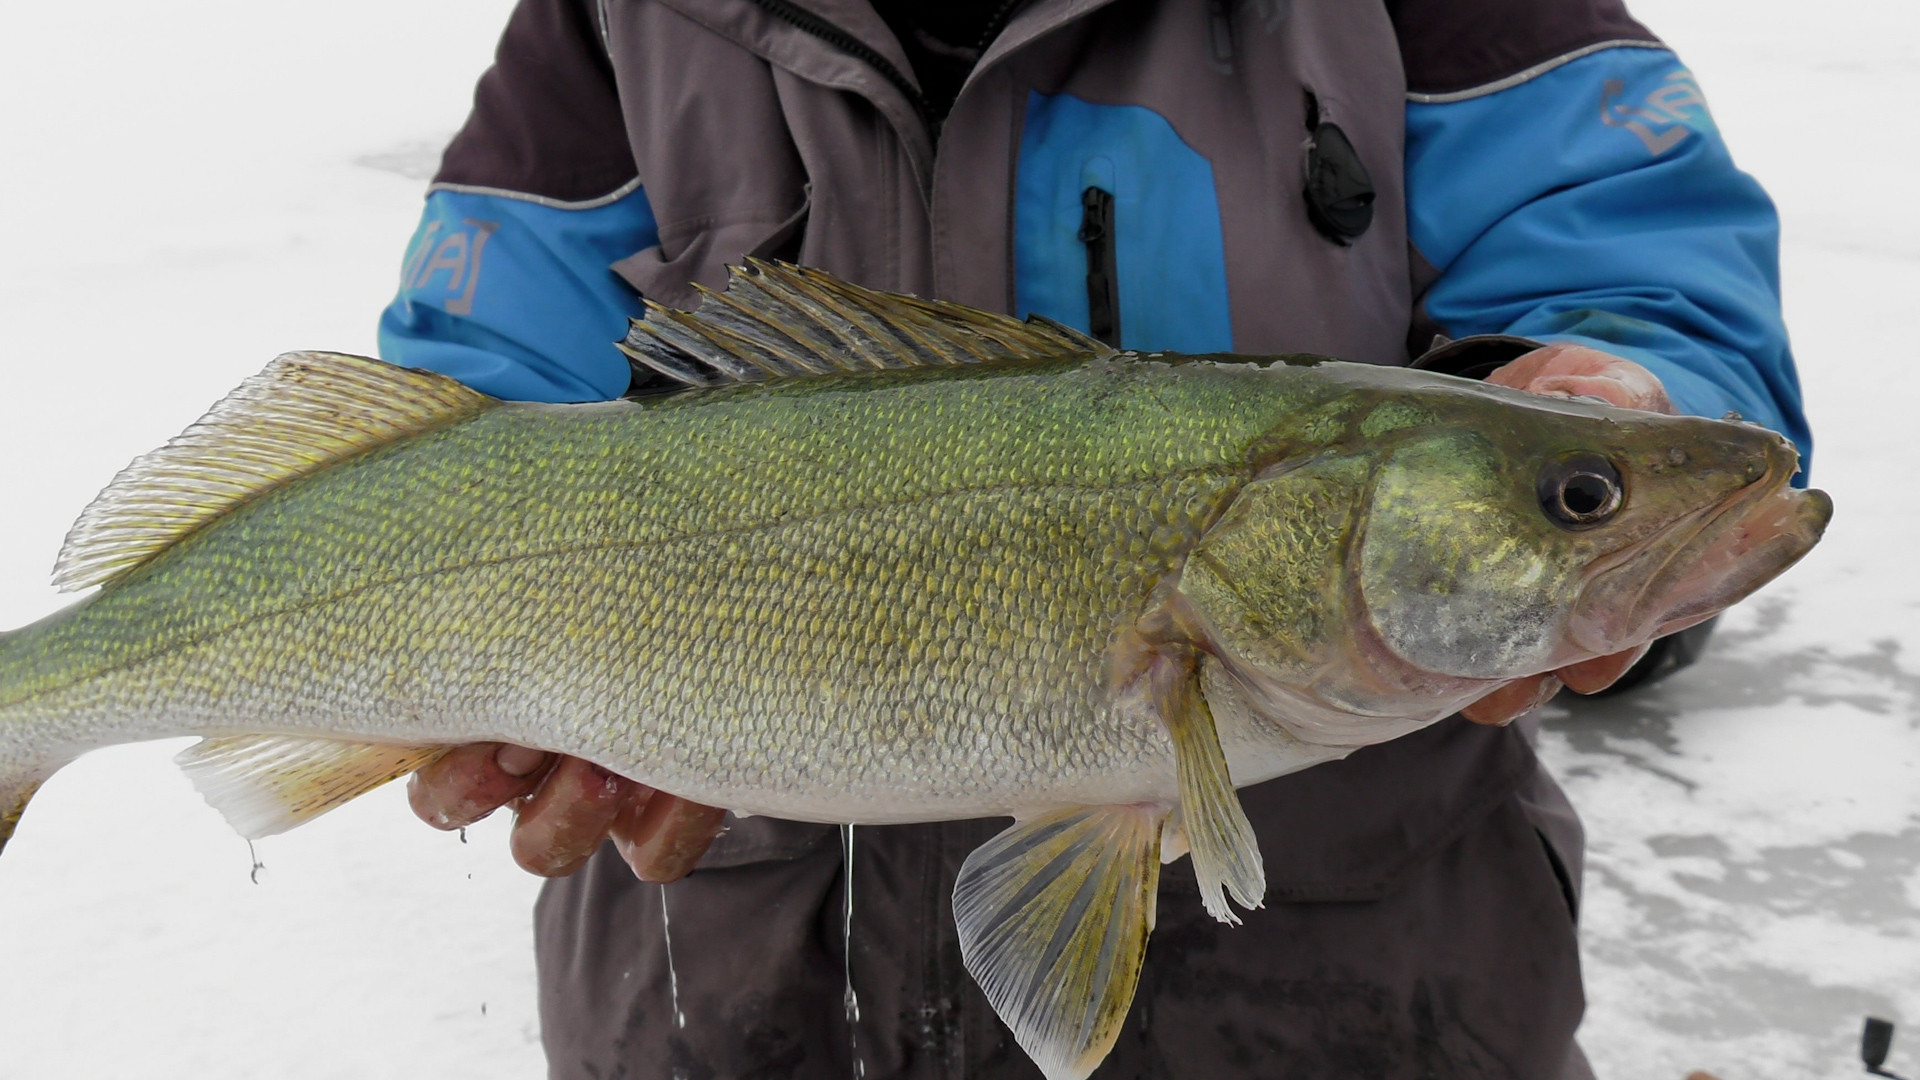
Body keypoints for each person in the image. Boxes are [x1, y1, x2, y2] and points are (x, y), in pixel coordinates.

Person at [379, 1, 1810, 1076]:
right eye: (1579, 506)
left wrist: (1628, 397)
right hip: (728, 988)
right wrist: (498, 655)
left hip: (1355, 987)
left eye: (1578, 507)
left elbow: (1635, 254)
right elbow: (471, 393)